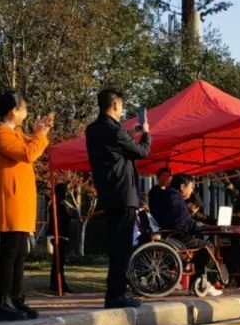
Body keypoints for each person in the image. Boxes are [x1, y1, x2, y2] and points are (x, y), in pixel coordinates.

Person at [0, 90, 53, 321]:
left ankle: (15, 298)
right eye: (24, 108)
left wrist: (37, 132)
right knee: (9, 252)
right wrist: (41, 134)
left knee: (20, 252)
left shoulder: (16, 133)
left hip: (21, 200)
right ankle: (2, 301)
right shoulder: (1, 134)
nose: (27, 112)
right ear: (14, 111)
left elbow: (31, 146)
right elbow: (28, 153)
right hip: (10, 200)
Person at [86, 88, 151, 309]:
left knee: (115, 245)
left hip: (108, 192)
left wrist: (130, 133)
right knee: (122, 246)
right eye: (121, 105)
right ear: (115, 105)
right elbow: (141, 152)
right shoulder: (116, 131)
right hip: (124, 194)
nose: (122, 109)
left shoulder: (92, 130)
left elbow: (115, 151)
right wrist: (146, 134)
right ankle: (117, 294)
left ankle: (113, 292)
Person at [153, 173, 222, 296]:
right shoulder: (175, 198)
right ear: (182, 187)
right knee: (208, 247)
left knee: (204, 245)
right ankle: (204, 282)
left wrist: (196, 225)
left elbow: (182, 220)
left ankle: (198, 282)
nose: (192, 190)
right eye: (191, 187)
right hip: (177, 236)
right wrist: (198, 228)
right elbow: (182, 223)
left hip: (172, 233)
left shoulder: (169, 196)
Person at [46, 181, 72, 294]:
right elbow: (61, 220)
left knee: (58, 261)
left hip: (60, 234)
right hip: (58, 235)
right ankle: (58, 284)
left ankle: (57, 283)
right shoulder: (56, 205)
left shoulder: (58, 204)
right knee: (58, 261)